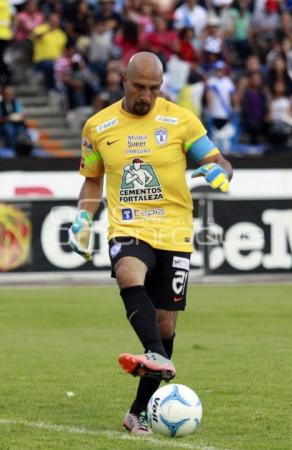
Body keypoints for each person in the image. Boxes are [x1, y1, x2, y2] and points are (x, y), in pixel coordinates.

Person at [68, 52, 233, 435]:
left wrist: (217, 171)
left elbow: (219, 160)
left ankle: (138, 410)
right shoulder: (98, 125)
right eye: (140, 86)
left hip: (174, 230)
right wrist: (83, 217)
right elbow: (92, 180)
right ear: (123, 79)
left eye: (155, 88)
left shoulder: (180, 120)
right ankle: (156, 356)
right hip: (128, 225)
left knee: (166, 323)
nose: (147, 95)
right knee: (128, 272)